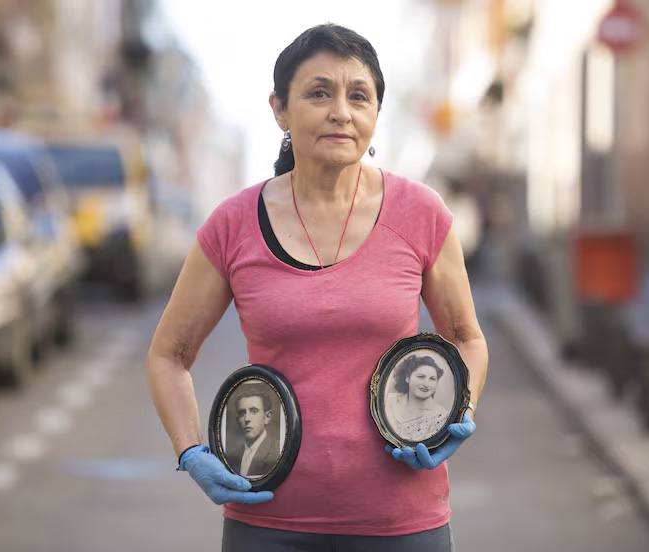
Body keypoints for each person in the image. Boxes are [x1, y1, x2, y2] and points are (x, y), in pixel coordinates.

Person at [147, 23, 489, 551]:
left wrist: (457, 411)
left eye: (359, 96)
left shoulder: (422, 214)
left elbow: (466, 337)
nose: (341, 112)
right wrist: (191, 451)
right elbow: (169, 355)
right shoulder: (233, 225)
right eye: (319, 93)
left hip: (401, 521)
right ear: (279, 109)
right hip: (267, 519)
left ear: (376, 112)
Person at [385, 355, 451, 442]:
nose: (426, 384)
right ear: (407, 378)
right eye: (421, 377)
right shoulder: (389, 400)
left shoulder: (441, 416)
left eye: (432, 379)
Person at [225, 389, 280, 478]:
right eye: (242, 413)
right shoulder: (231, 457)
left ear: (267, 417)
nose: (247, 419)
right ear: (237, 420)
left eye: (254, 411)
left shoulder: (277, 454)